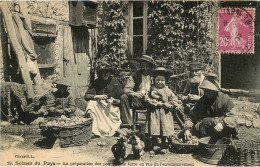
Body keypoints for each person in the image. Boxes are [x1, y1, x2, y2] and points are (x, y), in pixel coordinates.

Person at [183, 74, 237, 142]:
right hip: (206, 129)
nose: (206, 93)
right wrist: (187, 129)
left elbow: (233, 117)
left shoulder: (225, 100)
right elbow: (192, 116)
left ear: (215, 91)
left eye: (209, 91)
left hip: (221, 129)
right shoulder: (202, 101)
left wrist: (222, 123)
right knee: (203, 123)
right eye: (205, 91)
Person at [145, 67, 180, 154]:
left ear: (165, 81)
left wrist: (171, 104)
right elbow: (147, 99)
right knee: (154, 127)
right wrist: (157, 103)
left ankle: (164, 144)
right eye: (158, 80)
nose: (160, 82)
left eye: (162, 80)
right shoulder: (151, 90)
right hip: (154, 113)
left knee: (165, 127)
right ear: (154, 80)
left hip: (165, 113)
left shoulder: (167, 90)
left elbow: (174, 98)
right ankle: (155, 144)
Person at [84, 61, 124, 137]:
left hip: (111, 107)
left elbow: (121, 99)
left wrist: (114, 100)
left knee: (113, 113)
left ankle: (113, 130)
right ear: (100, 73)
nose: (105, 74)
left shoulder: (115, 82)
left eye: (107, 72)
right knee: (91, 104)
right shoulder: (96, 82)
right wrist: (96, 96)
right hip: (99, 106)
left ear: (110, 72)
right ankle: (94, 131)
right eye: (103, 72)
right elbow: (86, 96)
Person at [120, 55, 156, 126]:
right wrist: (135, 93)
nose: (145, 68)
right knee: (124, 97)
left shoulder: (154, 76)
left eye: (147, 66)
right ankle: (128, 124)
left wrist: (151, 96)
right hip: (138, 100)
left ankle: (154, 125)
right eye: (143, 66)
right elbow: (126, 89)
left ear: (151, 67)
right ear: (140, 66)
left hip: (151, 100)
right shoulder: (135, 75)